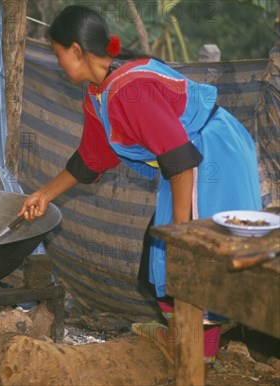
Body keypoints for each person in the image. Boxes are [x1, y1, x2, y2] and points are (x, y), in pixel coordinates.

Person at [18, 5, 262, 365]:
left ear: (75, 50)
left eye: (57, 55)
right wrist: (42, 194)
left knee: (188, 259)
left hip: (210, 158)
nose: (58, 64)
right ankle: (188, 342)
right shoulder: (98, 93)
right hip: (187, 161)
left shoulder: (130, 91)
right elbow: (91, 158)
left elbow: (180, 162)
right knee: (157, 260)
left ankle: (196, 355)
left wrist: (182, 232)